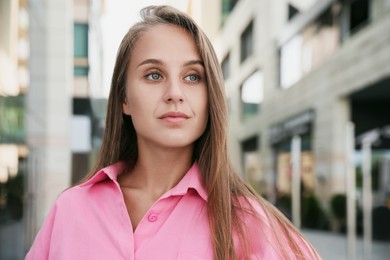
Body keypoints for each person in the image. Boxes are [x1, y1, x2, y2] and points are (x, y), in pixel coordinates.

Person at [26, 5, 321, 260]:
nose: (175, 93)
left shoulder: (249, 223)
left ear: (211, 97)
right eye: (154, 75)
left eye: (193, 76)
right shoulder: (71, 210)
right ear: (124, 99)